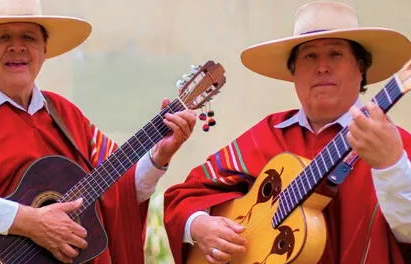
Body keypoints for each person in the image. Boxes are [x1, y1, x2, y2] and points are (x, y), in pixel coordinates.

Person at [0, 0, 196, 263]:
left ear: (44, 48)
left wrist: (159, 156)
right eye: (3, 37)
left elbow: (118, 190)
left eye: (28, 37)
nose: (17, 47)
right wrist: (28, 221)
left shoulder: (65, 114)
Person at [164, 1, 411, 264]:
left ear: (360, 68)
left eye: (336, 54)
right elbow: (184, 196)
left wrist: (391, 166)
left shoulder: (397, 145)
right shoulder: (268, 133)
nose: (322, 67)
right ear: (293, 73)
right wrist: (201, 225)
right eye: (309, 56)